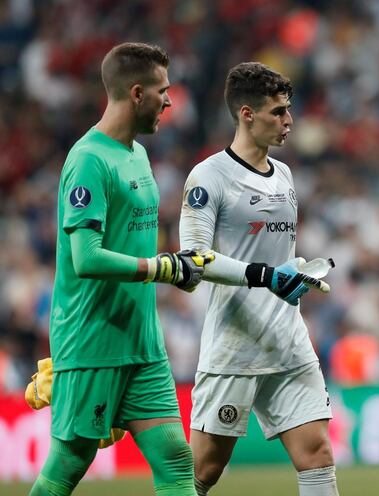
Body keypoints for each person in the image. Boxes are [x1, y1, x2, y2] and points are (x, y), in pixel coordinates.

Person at [30, 42, 214, 496]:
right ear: (136, 93)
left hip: (142, 341)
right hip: (92, 339)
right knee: (71, 461)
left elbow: (136, 241)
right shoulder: (89, 160)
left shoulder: (138, 155)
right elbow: (86, 258)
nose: (170, 101)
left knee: (175, 457)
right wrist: (162, 269)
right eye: (163, 91)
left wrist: (176, 266)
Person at [179, 62, 339, 496]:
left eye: (289, 110)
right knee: (203, 472)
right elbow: (194, 260)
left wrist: (295, 272)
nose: (289, 121)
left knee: (318, 455)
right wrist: (267, 276)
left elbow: (274, 254)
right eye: (278, 112)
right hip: (235, 345)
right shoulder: (209, 177)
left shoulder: (284, 175)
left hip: (288, 339)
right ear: (247, 114)